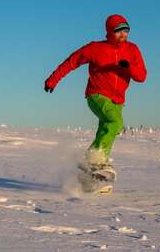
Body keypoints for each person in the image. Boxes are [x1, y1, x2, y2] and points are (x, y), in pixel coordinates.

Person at [44, 14, 147, 177]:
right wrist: (53, 79)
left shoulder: (132, 50)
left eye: (126, 31)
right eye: (119, 31)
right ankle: (95, 160)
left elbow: (141, 76)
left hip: (118, 101)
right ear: (110, 32)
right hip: (96, 95)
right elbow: (72, 61)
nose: (123, 35)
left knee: (107, 130)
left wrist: (129, 68)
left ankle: (88, 173)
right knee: (115, 122)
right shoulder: (95, 48)